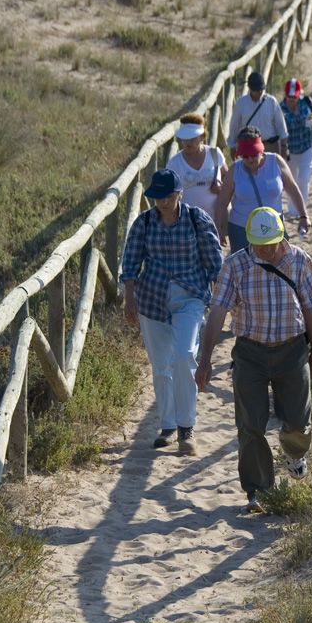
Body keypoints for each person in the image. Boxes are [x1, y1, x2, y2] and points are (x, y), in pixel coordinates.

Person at [195, 207, 312, 514]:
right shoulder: (235, 265)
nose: (264, 250)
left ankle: (294, 453)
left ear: (281, 235)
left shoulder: (300, 261)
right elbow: (217, 313)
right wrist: (205, 359)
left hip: (292, 349)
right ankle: (258, 491)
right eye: (257, 244)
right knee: (250, 425)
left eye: (269, 243)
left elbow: (310, 309)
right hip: (250, 353)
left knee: (297, 422)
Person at [121, 169, 223, 455]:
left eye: (167, 196)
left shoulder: (197, 220)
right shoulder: (144, 222)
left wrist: (221, 301)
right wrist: (130, 299)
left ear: (179, 194)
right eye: (157, 197)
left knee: (183, 356)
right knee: (161, 365)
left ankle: (186, 426)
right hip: (152, 300)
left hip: (190, 297)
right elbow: (130, 263)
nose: (162, 202)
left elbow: (214, 261)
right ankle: (167, 425)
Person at [214, 127, 310, 254]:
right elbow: (222, 201)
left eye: (254, 154)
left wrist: (303, 216)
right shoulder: (235, 170)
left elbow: (292, 189)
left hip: (273, 227)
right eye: (245, 156)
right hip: (242, 229)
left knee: (278, 265)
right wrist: (218, 228)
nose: (250, 160)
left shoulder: (276, 162)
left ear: (261, 149)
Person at [167, 113, 228, 218]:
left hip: (215, 219)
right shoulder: (174, 163)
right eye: (184, 138)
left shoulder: (215, 154)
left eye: (192, 138)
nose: (188, 142)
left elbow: (228, 178)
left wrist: (222, 187)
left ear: (202, 137)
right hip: (186, 222)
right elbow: (167, 193)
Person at [279, 78, 312, 224]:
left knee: (304, 177)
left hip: (309, 145)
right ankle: (293, 208)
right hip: (292, 149)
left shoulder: (306, 102)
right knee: (292, 180)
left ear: (299, 94)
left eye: (295, 96)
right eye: (289, 96)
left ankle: (299, 211)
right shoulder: (280, 108)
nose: (292, 100)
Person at [228, 71, 288, 159]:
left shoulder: (271, 101)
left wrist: (284, 146)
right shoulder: (241, 103)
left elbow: (281, 125)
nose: (259, 92)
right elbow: (234, 125)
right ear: (250, 89)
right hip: (249, 147)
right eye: (256, 90)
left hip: (270, 146)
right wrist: (232, 146)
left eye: (261, 89)